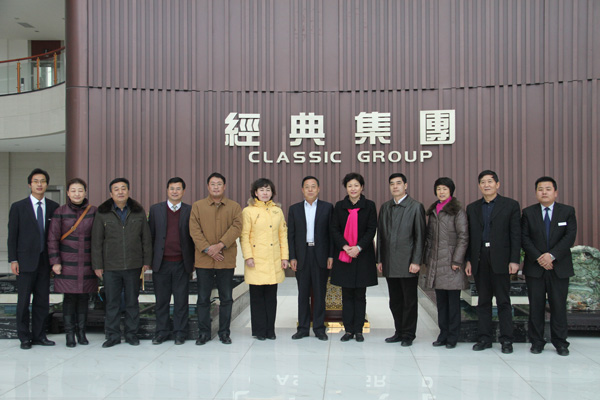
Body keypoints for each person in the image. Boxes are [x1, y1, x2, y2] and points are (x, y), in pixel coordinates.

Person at [91, 177, 152, 348]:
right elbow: (96, 241)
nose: (120, 192)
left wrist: (146, 261)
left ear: (128, 191)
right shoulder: (102, 213)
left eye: (123, 188)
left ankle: (132, 334)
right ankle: (113, 335)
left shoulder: (138, 211)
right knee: (112, 303)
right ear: (111, 193)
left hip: (134, 265)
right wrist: (97, 265)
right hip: (110, 266)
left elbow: (146, 238)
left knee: (132, 302)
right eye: (116, 189)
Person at [465, 170, 521, 354]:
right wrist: (468, 260)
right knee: (483, 301)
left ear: (497, 184)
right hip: (480, 258)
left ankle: (506, 340)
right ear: (479, 186)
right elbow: (470, 237)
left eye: (490, 181)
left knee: (503, 301)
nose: (486, 185)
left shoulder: (510, 205)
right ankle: (484, 338)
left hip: (501, 259)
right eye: (483, 182)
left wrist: (514, 260)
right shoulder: (472, 208)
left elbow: (515, 234)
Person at [521, 176, 577, 356]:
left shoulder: (567, 211)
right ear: (536, 192)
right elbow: (524, 238)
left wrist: (551, 256)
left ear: (555, 192)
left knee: (558, 306)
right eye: (540, 189)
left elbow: (569, 236)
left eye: (548, 189)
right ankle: (537, 342)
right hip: (535, 268)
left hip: (559, 267)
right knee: (535, 306)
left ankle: (560, 342)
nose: (544, 192)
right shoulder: (528, 213)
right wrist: (540, 257)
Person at [8, 168, 60, 350]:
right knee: (23, 301)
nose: (39, 184)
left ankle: (39, 336)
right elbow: (12, 236)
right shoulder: (18, 207)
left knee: (42, 301)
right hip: (24, 262)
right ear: (29, 184)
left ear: (47, 185)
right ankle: (24, 337)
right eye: (36, 181)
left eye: (43, 181)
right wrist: (13, 259)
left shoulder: (54, 207)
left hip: (45, 262)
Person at [189, 172, 242, 345]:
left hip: (225, 259)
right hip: (203, 260)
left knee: (226, 298)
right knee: (203, 298)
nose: (216, 187)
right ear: (208, 186)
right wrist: (208, 249)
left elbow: (237, 227)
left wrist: (220, 245)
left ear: (224, 186)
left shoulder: (234, 206)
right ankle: (204, 333)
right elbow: (194, 230)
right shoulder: (198, 206)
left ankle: (224, 333)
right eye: (213, 184)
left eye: (219, 184)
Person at [47, 178, 98, 347]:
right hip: (67, 262)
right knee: (69, 298)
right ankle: (70, 334)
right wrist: (55, 261)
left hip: (87, 262)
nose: (77, 194)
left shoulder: (94, 212)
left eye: (80, 190)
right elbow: (52, 238)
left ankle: (81, 333)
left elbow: (99, 238)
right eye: (73, 191)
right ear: (68, 193)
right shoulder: (60, 212)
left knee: (84, 297)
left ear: (85, 192)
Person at [377, 173, 425, 347]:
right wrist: (380, 259)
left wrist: (416, 261)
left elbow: (420, 237)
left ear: (405, 185)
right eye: (392, 184)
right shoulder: (385, 207)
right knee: (395, 301)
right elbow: (381, 236)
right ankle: (398, 331)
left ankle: (408, 334)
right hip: (390, 262)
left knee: (409, 301)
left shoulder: (416, 207)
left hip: (408, 263)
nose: (395, 186)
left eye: (398, 183)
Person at [330, 173, 378, 342]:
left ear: (362, 187)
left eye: (356, 185)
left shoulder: (370, 206)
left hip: (362, 256)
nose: (353, 189)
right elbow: (334, 229)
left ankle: (358, 330)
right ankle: (348, 330)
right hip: (344, 256)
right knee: (347, 294)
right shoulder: (339, 206)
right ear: (346, 188)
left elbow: (371, 229)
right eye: (350, 185)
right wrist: (345, 247)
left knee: (360, 295)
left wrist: (358, 247)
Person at [240, 178, 289, 340]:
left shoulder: (277, 211)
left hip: (273, 260)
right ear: (255, 193)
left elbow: (283, 236)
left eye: (268, 190)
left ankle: (270, 330)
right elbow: (244, 236)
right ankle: (259, 331)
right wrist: (248, 256)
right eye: (261, 190)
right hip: (256, 260)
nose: (265, 193)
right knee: (257, 298)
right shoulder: (248, 211)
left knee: (271, 298)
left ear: (272, 192)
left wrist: (284, 257)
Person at [148, 177, 195, 345]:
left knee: (181, 300)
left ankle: (180, 332)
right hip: (161, 263)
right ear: (167, 190)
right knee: (162, 300)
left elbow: (193, 237)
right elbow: (150, 236)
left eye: (178, 188)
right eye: (172, 188)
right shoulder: (156, 210)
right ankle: (161, 332)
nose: (175, 191)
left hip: (182, 262)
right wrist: (148, 261)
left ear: (183, 191)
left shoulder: (190, 210)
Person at [423, 177, 469, 349]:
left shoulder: (457, 211)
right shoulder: (433, 210)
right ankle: (443, 334)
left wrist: (457, 260)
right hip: (436, 262)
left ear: (451, 191)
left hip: (451, 263)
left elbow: (463, 237)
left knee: (453, 302)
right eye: (439, 189)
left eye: (444, 189)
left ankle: (453, 336)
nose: (441, 192)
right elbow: (429, 237)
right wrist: (427, 258)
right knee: (441, 302)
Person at [288, 176, 334, 341]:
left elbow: (331, 234)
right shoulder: (294, 209)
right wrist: (292, 256)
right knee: (303, 293)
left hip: (320, 254)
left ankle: (319, 328)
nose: (310, 189)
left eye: (313, 186)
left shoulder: (327, 207)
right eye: (307, 186)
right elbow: (291, 235)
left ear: (318, 189)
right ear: (302, 190)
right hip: (302, 255)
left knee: (320, 293)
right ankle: (303, 328)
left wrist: (331, 255)